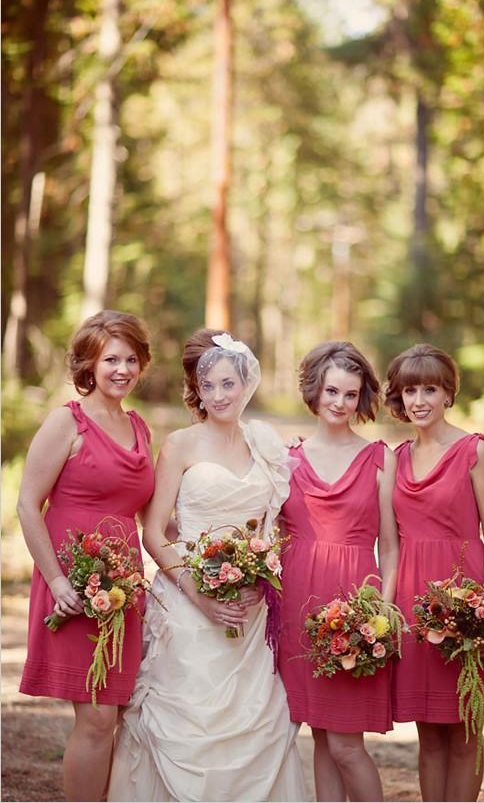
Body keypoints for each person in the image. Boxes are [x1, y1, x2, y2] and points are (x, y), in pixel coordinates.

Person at [107, 329, 306, 803]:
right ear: (197, 389)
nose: (218, 396)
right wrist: (197, 592)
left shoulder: (265, 445)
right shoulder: (180, 445)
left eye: (228, 384)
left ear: (246, 384)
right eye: (208, 386)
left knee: (256, 722)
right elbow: (153, 532)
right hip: (186, 604)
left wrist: (260, 575)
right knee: (181, 720)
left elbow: (274, 527)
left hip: (250, 610)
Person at [17, 310, 155, 803]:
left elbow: (149, 517)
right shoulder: (66, 421)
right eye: (110, 359)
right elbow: (28, 505)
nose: (122, 369)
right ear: (89, 365)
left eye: (131, 359)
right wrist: (57, 582)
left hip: (123, 587)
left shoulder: (140, 427)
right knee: (96, 716)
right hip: (72, 584)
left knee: (115, 712)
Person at [384, 343, 484, 802]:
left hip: (467, 602)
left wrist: (483, 608)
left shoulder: (474, 450)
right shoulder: (396, 457)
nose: (419, 400)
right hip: (414, 602)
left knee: (466, 728)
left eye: (430, 388)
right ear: (400, 398)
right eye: (410, 391)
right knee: (429, 733)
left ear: (448, 394)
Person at [278, 341, 399, 802]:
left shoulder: (380, 459)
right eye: (331, 391)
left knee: (347, 744)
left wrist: (383, 611)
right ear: (314, 390)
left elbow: (389, 546)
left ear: (361, 398)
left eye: (350, 395)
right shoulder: (287, 458)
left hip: (356, 606)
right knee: (323, 737)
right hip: (297, 606)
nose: (340, 403)